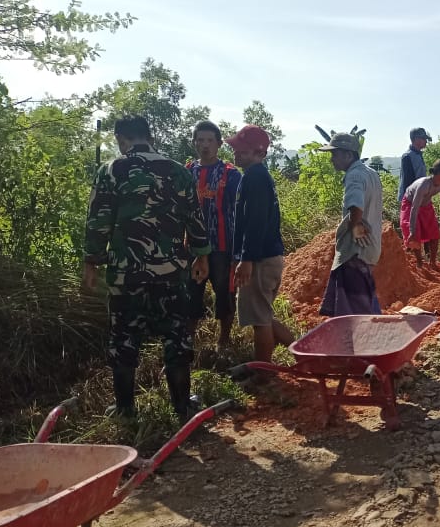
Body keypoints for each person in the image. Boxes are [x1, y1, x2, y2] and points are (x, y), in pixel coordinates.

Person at [83, 115, 210, 424]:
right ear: (149, 136)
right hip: (170, 274)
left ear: (122, 139)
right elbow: (195, 218)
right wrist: (201, 256)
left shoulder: (111, 171)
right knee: (176, 339)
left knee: (124, 340)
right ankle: (182, 407)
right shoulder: (179, 172)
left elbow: (98, 222)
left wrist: (91, 261)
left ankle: (125, 410)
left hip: (126, 276)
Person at [227, 125, 294, 361]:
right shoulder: (258, 177)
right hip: (268, 257)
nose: (236, 153)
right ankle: (303, 353)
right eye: (236, 148)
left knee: (260, 320)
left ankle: (264, 374)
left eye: (242, 150)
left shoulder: (255, 178)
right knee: (262, 313)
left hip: (260, 260)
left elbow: (255, 222)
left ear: (259, 153)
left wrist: (247, 259)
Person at [185, 120, 242, 347]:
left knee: (224, 294)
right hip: (192, 247)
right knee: (191, 294)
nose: (205, 145)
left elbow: (240, 213)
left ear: (219, 144)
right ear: (194, 143)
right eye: (200, 140)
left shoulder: (230, 174)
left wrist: (239, 252)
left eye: (210, 140)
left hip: (222, 247)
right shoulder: (187, 171)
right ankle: (188, 341)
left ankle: (224, 341)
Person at [319, 133, 384, 316]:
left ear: (348, 155)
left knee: (354, 310)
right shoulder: (370, 173)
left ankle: (365, 341)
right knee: (364, 298)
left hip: (355, 251)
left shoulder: (354, 175)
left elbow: (355, 206)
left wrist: (355, 227)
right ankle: (376, 336)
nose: (332, 159)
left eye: (335, 154)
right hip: (369, 249)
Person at [401, 159, 440, 269]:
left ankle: (433, 262)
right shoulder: (423, 185)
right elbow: (414, 208)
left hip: (426, 205)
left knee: (434, 233)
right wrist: (412, 232)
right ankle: (419, 262)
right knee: (415, 234)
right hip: (410, 204)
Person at [398, 127, 431, 207]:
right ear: (416, 139)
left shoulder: (418, 155)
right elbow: (408, 181)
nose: (426, 141)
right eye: (424, 139)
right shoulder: (407, 156)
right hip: (410, 199)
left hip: (418, 198)